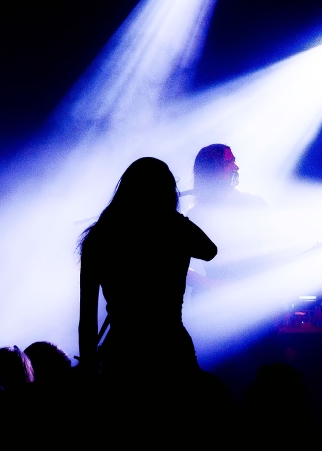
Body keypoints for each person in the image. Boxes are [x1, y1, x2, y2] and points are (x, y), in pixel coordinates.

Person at [77, 157, 217, 386]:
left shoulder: (100, 238)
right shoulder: (175, 229)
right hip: (170, 347)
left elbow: (87, 316)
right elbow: (209, 250)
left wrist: (88, 364)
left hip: (122, 350)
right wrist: (172, 216)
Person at [184, 144, 269, 295]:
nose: (236, 167)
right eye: (229, 162)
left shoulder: (254, 204)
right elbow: (174, 264)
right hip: (213, 303)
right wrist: (215, 285)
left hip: (254, 297)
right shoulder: (195, 216)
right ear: (213, 170)